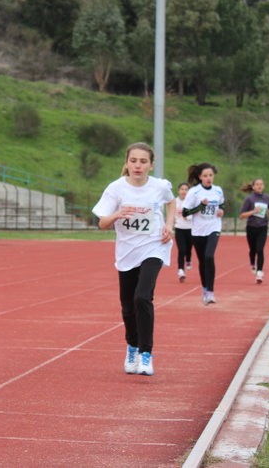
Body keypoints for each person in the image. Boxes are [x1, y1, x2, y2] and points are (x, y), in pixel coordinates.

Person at [92, 142, 175, 377]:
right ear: (127, 162)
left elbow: (171, 201)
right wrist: (117, 214)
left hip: (154, 247)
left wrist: (169, 225)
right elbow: (102, 223)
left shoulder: (159, 186)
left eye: (143, 161)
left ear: (151, 164)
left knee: (142, 297)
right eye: (133, 161)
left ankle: (146, 354)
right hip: (127, 252)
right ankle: (132, 346)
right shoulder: (116, 189)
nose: (137, 165)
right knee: (128, 306)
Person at [182, 163, 224, 306]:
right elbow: (185, 212)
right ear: (200, 177)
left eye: (210, 175)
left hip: (214, 227)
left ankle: (211, 292)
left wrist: (221, 211)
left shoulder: (218, 191)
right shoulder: (194, 192)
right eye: (205, 176)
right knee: (202, 261)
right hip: (198, 230)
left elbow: (222, 204)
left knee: (209, 256)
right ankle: (205, 289)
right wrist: (201, 206)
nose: (208, 178)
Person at [239, 178, 269, 284]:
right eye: (257, 184)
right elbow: (242, 215)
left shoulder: (267, 197)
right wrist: (253, 211)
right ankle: (252, 262)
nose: (259, 186)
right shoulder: (249, 199)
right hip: (251, 227)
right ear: (253, 187)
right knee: (253, 250)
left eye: (261, 184)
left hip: (263, 227)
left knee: (260, 249)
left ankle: (259, 272)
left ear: (263, 186)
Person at [173, 182, 193, 282]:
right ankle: (180, 270)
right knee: (182, 250)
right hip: (179, 228)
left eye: (186, 189)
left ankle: (188, 259)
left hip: (190, 229)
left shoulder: (192, 202)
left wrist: (189, 217)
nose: (184, 191)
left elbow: (195, 214)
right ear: (178, 190)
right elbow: (171, 213)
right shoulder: (175, 202)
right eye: (182, 189)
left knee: (188, 249)